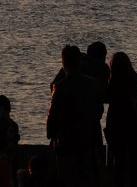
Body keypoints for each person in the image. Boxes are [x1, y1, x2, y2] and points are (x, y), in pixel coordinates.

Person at [47, 44, 102, 187]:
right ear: (79, 61)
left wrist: (51, 133)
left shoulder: (60, 86)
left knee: (67, 178)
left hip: (66, 141)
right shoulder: (92, 84)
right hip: (87, 139)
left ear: (63, 63)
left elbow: (53, 114)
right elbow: (97, 112)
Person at [105, 51, 137, 187]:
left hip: (116, 121)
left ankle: (119, 182)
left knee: (119, 158)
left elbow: (107, 98)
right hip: (133, 120)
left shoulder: (112, 81)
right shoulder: (135, 78)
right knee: (135, 156)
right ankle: (135, 182)